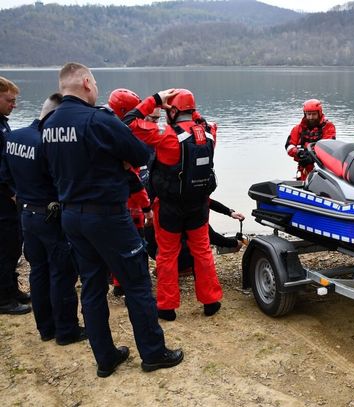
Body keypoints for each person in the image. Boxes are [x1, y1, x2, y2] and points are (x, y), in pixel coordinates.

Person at [41, 62, 182, 377]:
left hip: (71, 215)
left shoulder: (49, 123)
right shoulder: (97, 119)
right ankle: (153, 352)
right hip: (106, 215)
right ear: (86, 83)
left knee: (92, 285)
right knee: (136, 282)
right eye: (95, 85)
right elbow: (140, 154)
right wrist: (118, 162)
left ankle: (105, 358)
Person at [123, 88, 222, 321]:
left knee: (167, 255)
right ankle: (210, 301)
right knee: (202, 251)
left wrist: (155, 100)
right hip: (198, 205)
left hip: (169, 207)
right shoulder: (210, 132)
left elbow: (128, 123)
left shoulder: (165, 134)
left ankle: (167, 307)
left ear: (174, 111)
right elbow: (200, 122)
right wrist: (187, 110)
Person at [0, 93, 85, 344]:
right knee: (62, 273)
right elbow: (63, 182)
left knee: (38, 271)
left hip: (26, 214)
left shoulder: (14, 137)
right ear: (55, 116)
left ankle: (46, 329)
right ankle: (66, 331)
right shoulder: (47, 144)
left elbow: (5, 176)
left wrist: (22, 197)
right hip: (50, 215)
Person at [107, 88, 153, 297]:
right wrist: (147, 207)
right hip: (131, 206)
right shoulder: (125, 138)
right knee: (137, 246)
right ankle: (136, 282)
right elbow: (134, 180)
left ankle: (118, 282)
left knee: (116, 245)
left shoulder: (103, 131)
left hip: (109, 202)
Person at [0, 76, 31, 315]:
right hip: (3, 199)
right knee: (4, 246)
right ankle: (3, 298)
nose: (14, 105)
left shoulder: (3, 123)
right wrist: (11, 193)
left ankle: (11, 287)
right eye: (9, 100)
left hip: (10, 197)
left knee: (13, 245)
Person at [285, 99, 336, 181]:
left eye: (314, 114)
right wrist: (299, 153)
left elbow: (328, 146)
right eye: (308, 114)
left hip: (322, 169)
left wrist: (312, 157)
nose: (311, 117)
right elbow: (289, 146)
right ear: (305, 114)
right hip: (304, 168)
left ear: (319, 113)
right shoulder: (297, 129)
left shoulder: (328, 127)